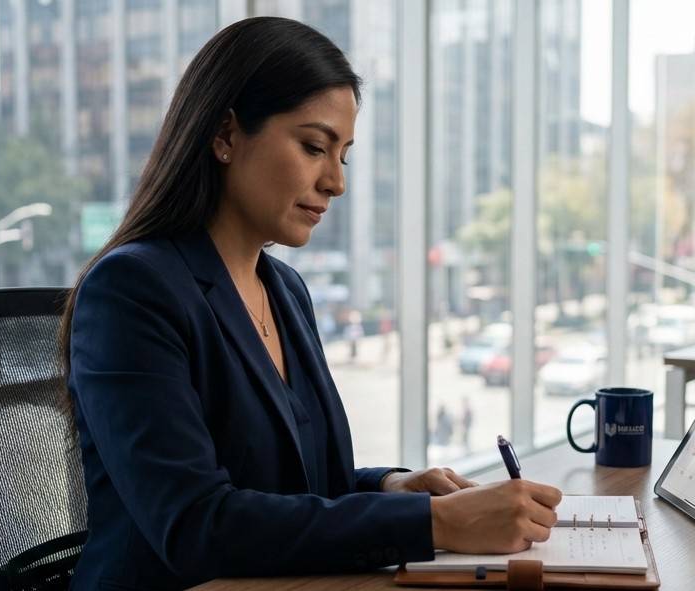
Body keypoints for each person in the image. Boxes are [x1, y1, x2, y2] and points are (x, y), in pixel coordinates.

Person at [60, 17, 561, 590]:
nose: (335, 182)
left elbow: (298, 486)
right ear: (225, 134)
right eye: (313, 147)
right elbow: (199, 526)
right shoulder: (131, 290)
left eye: (343, 154)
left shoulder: (286, 291)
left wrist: (388, 487)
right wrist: (436, 522)